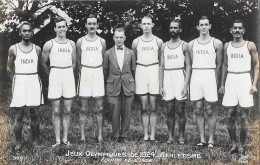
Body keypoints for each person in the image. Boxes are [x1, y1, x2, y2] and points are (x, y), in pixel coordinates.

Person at [219, 19, 259, 155]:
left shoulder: (250, 45)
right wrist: (222, 84)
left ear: (243, 31)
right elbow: (224, 65)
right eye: (234, 28)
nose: (237, 30)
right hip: (231, 79)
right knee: (230, 115)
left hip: (244, 79)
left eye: (239, 28)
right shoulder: (227, 45)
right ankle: (233, 144)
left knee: (244, 116)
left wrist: (254, 84)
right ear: (231, 30)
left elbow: (257, 65)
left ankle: (242, 145)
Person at [7, 21, 44, 151]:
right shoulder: (13, 48)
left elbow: (39, 66)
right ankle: (18, 143)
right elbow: (9, 68)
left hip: (33, 80)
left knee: (35, 113)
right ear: (20, 32)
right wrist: (16, 81)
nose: (27, 33)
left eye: (29, 31)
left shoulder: (37, 49)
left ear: (32, 32)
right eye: (24, 31)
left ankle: (35, 141)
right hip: (20, 81)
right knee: (19, 115)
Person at [188, 16, 223, 148]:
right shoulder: (191, 44)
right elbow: (191, 64)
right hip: (196, 75)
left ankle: (211, 140)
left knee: (210, 110)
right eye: (201, 25)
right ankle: (202, 139)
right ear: (198, 27)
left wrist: (216, 80)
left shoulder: (217, 43)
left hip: (210, 75)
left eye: (205, 24)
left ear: (210, 26)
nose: (203, 27)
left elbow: (219, 64)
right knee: (197, 109)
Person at [41, 17, 76, 147]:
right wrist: (52, 75)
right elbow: (43, 64)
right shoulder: (49, 44)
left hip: (67, 75)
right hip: (54, 75)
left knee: (67, 110)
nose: (61, 29)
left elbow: (74, 63)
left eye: (63, 26)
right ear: (55, 28)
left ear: (66, 27)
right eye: (59, 27)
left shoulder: (71, 44)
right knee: (55, 111)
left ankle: (65, 139)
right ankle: (57, 140)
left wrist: (66, 72)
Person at [132, 14, 163, 142]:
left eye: (148, 24)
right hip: (141, 71)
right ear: (141, 25)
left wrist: (161, 83)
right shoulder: (136, 42)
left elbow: (161, 63)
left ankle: (153, 135)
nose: (146, 26)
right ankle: (145, 134)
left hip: (154, 71)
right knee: (144, 107)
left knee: (153, 106)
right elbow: (133, 62)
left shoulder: (158, 41)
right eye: (144, 24)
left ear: (152, 25)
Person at [159, 19, 191, 144]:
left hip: (180, 76)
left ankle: (181, 136)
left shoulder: (185, 45)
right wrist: (161, 85)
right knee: (170, 109)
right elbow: (161, 65)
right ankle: (170, 136)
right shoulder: (164, 45)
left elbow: (188, 65)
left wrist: (186, 84)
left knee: (180, 110)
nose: (173, 30)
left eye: (175, 28)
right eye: (171, 28)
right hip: (168, 77)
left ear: (180, 30)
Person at [103, 23, 136, 142]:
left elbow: (133, 70)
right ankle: (116, 135)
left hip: (128, 85)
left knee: (126, 112)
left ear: (124, 38)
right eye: (116, 37)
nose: (118, 39)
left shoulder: (130, 53)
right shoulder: (108, 53)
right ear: (113, 38)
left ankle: (125, 135)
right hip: (113, 85)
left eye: (121, 37)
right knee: (114, 111)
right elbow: (105, 70)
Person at [76, 14, 106, 144]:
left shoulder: (102, 41)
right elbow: (78, 60)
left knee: (99, 108)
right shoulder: (80, 41)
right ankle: (82, 136)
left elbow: (103, 59)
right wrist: (83, 73)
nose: (92, 26)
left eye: (94, 23)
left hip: (98, 72)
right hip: (86, 73)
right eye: (90, 23)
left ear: (97, 25)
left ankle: (99, 135)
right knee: (83, 108)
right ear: (86, 25)